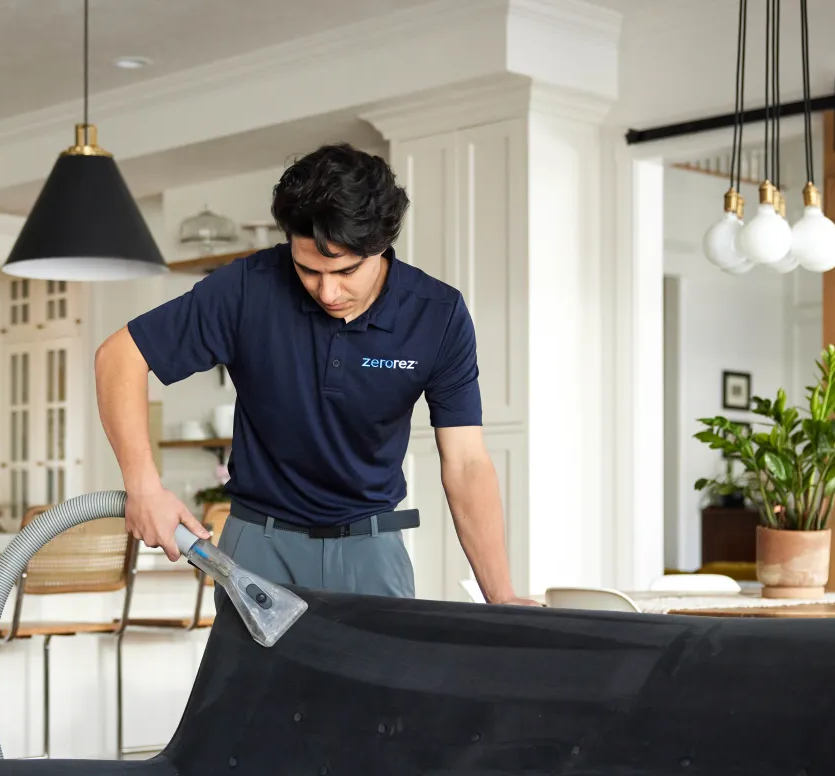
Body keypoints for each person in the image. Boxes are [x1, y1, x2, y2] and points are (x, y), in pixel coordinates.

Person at [94, 143, 534, 605]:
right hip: (257, 545)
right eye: (308, 270)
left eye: (345, 271)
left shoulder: (437, 314)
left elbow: (466, 462)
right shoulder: (247, 288)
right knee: (254, 682)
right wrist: (143, 486)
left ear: (381, 246)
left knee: (381, 680)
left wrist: (500, 597)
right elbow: (118, 357)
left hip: (372, 548)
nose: (327, 291)